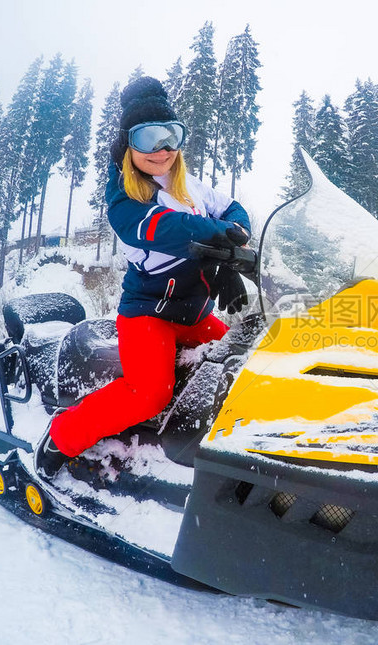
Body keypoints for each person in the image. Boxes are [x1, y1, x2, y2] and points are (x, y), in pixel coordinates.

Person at [35, 77, 251, 478]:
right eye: (149, 138)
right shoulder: (124, 199)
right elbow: (165, 228)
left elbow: (233, 208)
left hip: (191, 312)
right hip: (147, 314)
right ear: (127, 144)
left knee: (242, 364)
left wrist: (232, 248)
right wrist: (218, 240)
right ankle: (63, 435)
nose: (163, 150)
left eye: (171, 137)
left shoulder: (189, 185)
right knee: (149, 393)